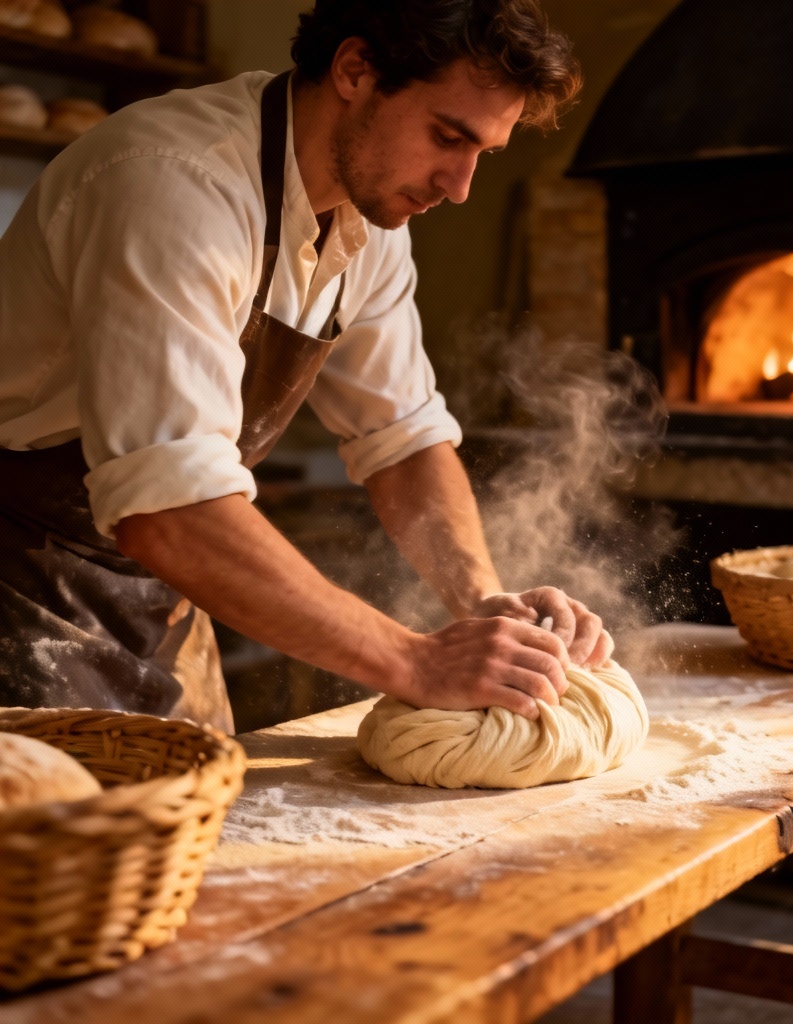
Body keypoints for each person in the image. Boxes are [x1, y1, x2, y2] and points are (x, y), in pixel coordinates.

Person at [0, 0, 613, 735]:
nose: (460, 185)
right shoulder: (173, 184)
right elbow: (165, 508)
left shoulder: (370, 217)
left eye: (483, 152)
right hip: (19, 570)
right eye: (448, 137)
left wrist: (483, 601)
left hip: (165, 584)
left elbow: (403, 437)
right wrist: (417, 663)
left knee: (206, 827)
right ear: (355, 70)